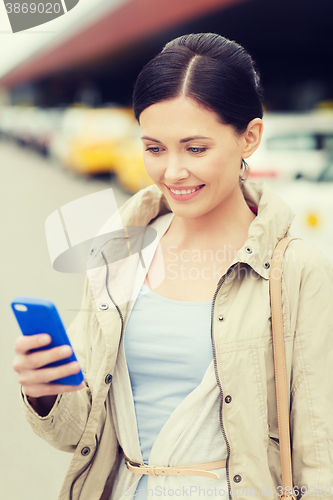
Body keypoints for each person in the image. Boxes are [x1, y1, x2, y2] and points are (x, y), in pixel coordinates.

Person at [13, 33, 333, 500]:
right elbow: (79, 436)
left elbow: (318, 447)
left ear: (250, 137)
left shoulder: (296, 268)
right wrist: (45, 391)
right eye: (155, 148)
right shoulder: (117, 251)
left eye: (195, 148)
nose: (173, 172)